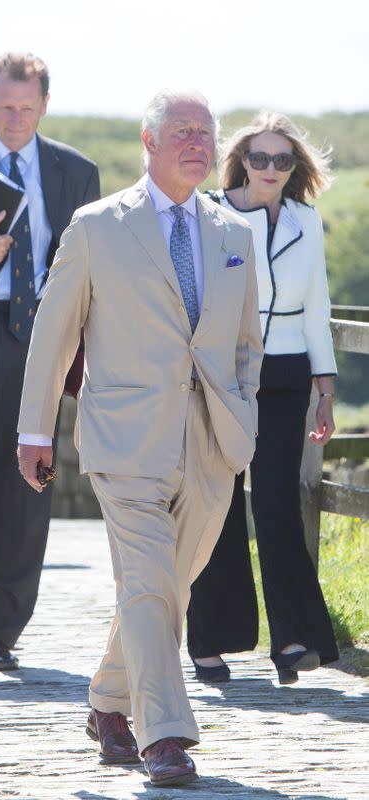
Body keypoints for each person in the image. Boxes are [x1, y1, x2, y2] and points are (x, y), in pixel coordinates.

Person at [17, 89, 263, 786]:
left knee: (165, 588)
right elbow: (54, 334)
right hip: (124, 438)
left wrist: (240, 406)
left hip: (212, 441)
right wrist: (35, 429)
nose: (197, 142)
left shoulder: (232, 234)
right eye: (183, 130)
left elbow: (247, 344)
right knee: (151, 582)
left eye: (206, 133)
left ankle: (106, 701)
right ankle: (166, 736)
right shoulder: (97, 227)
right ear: (148, 142)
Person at [0, 52, 100, 671]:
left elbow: (95, 266)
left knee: (27, 485)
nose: (15, 118)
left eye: (27, 107)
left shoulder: (75, 171)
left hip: (39, 340)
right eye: (5, 106)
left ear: (44, 105)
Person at [187, 110, 339, 686]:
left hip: (287, 374)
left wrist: (324, 388)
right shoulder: (212, 213)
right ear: (242, 161)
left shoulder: (307, 220)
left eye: (281, 158)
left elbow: (318, 308)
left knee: (275, 505)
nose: (269, 168)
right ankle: (209, 641)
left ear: (294, 165)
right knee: (220, 504)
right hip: (223, 374)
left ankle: (294, 640)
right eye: (259, 157)